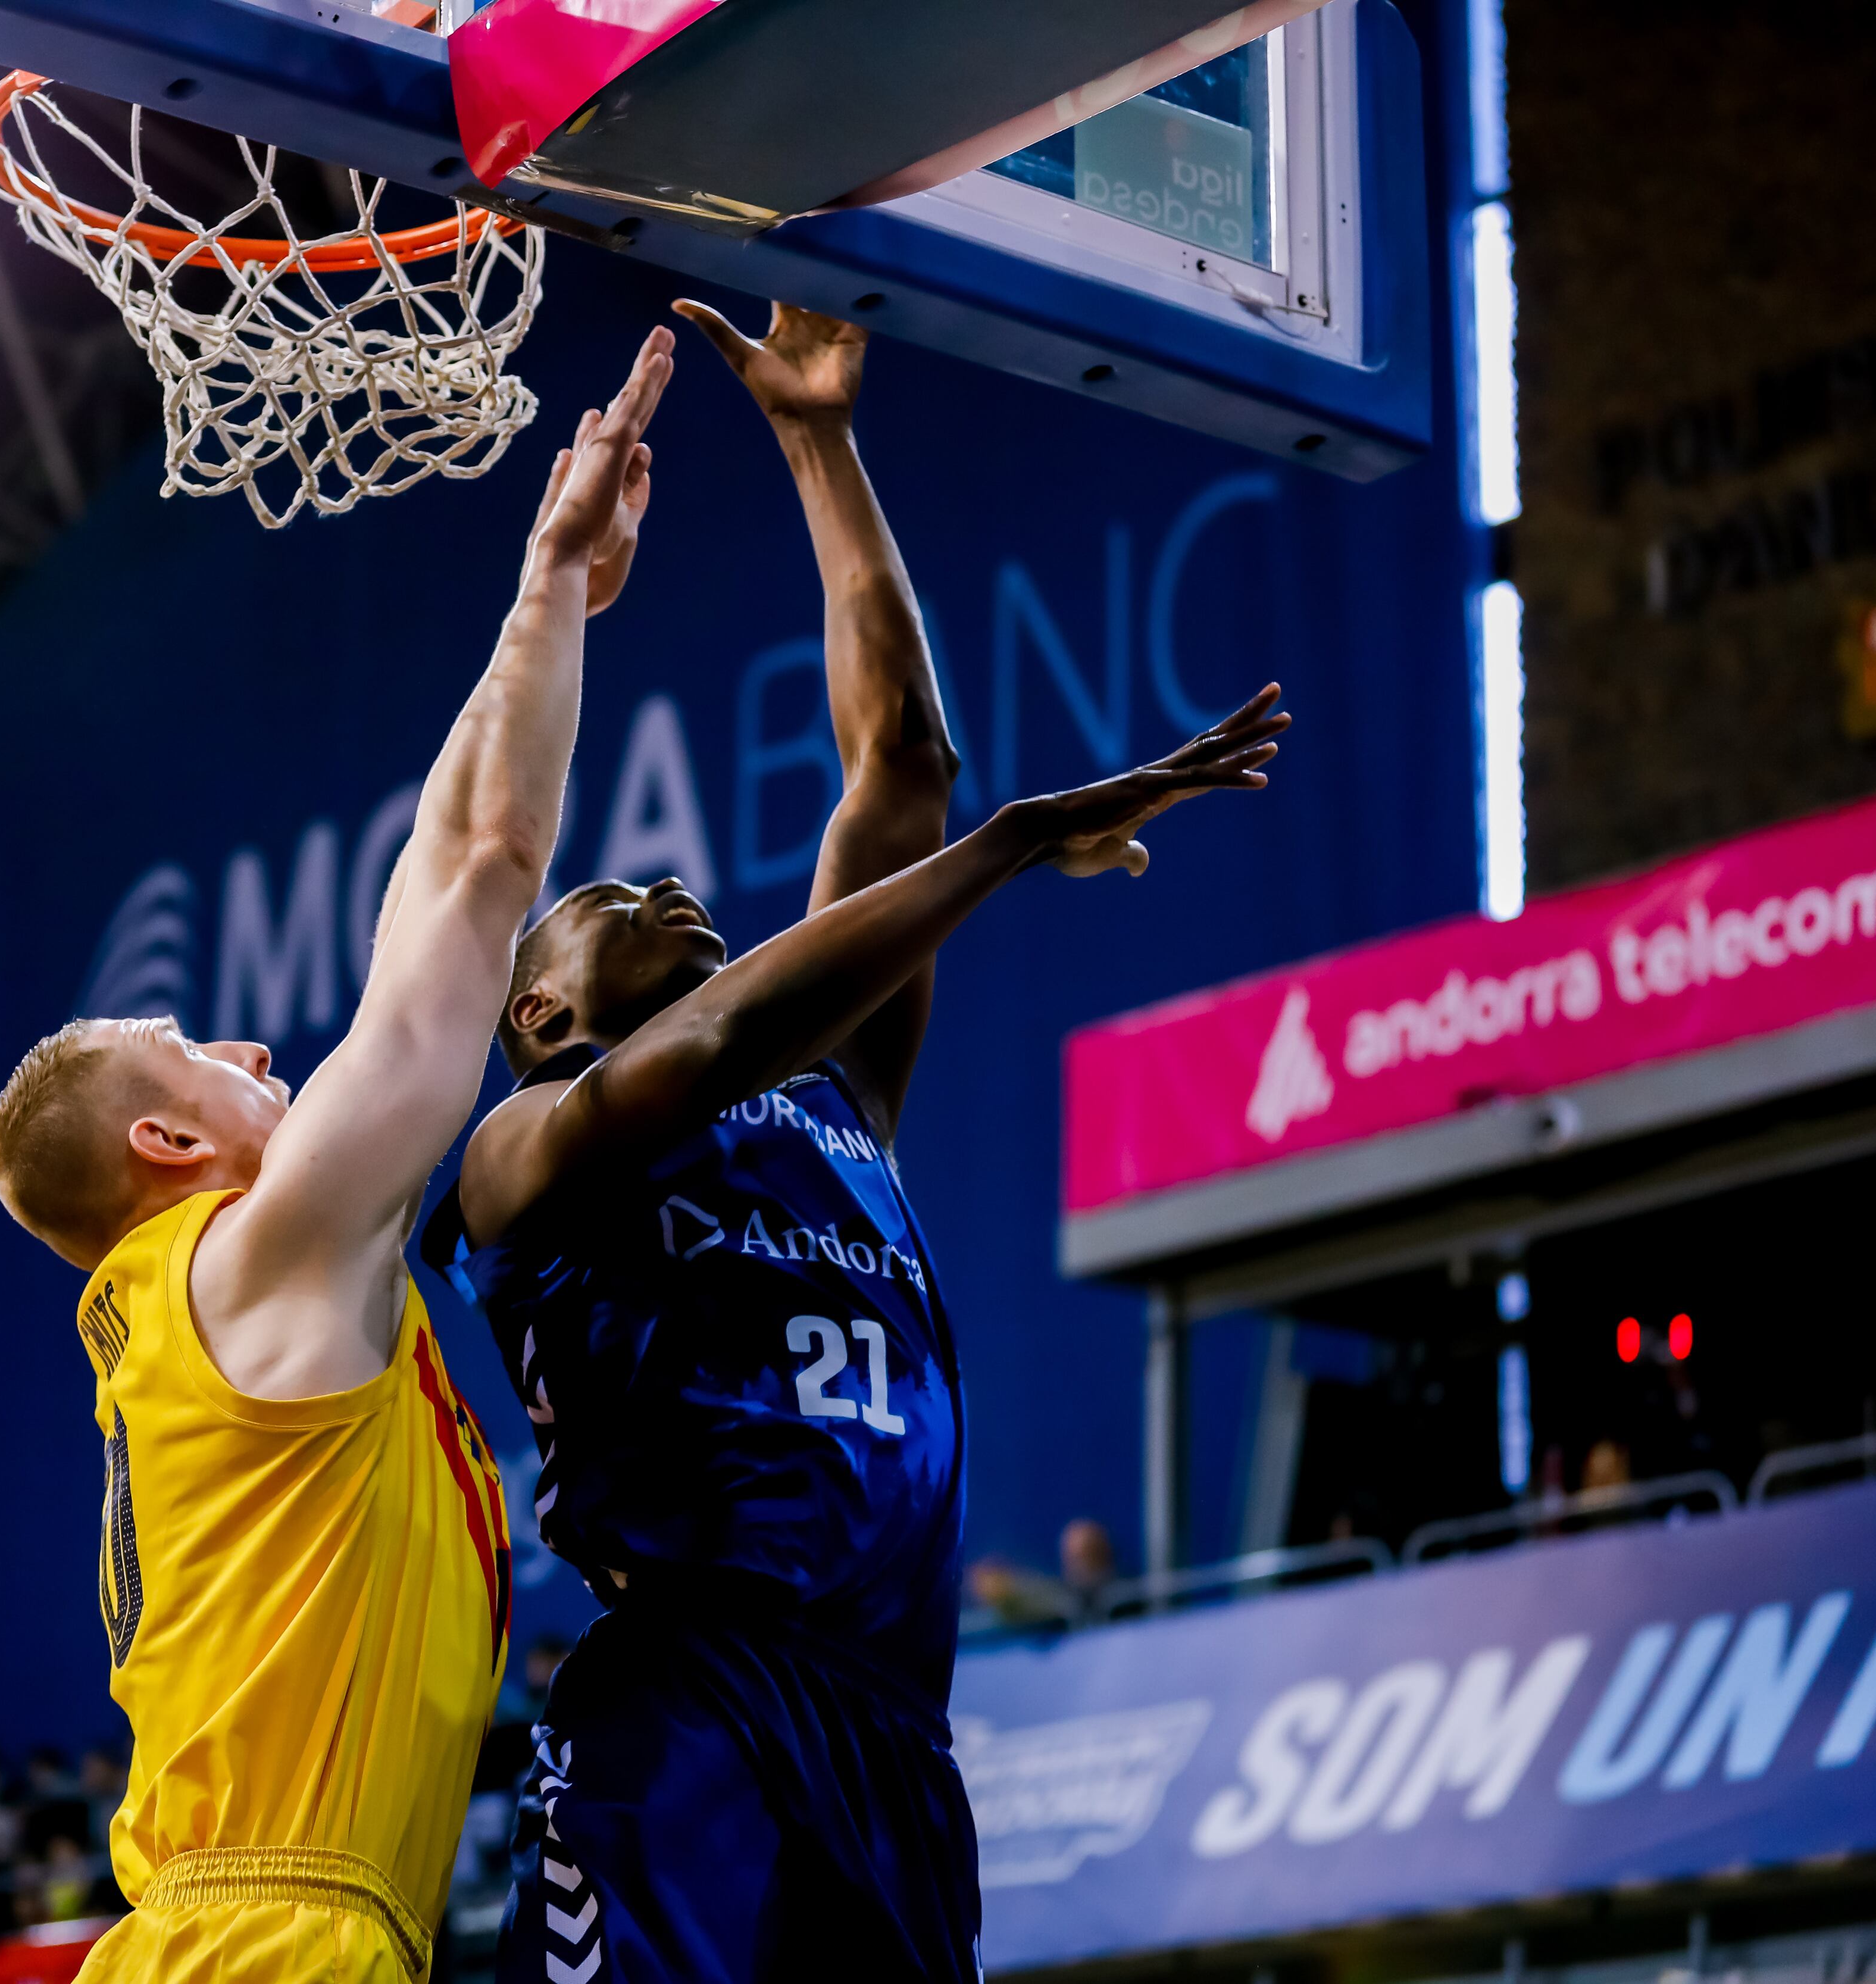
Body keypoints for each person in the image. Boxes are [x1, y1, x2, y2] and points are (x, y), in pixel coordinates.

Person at [427, 299, 1290, 1984]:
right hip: (690, 1700)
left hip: (897, 1739)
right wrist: (1024, 842)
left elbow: (905, 760)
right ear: (536, 1012)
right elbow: (724, 1029)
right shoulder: (522, 1155)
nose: (677, 887)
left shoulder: (839, 1105)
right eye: (613, 899)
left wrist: (820, 440)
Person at [0, 327, 678, 1983]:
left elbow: (453, 866)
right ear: (165, 1142)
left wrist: (545, 606)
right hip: (265, 1947)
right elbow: (484, 877)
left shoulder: (228, 1303)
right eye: (205, 1053)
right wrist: (547, 596)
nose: (257, 1053)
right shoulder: (256, 1255)